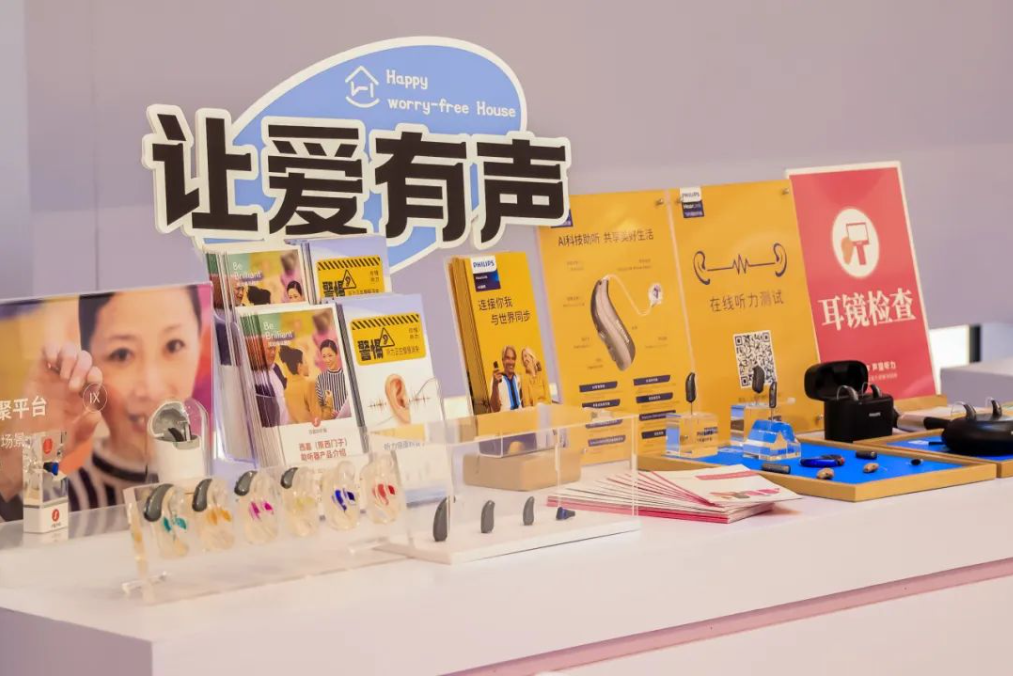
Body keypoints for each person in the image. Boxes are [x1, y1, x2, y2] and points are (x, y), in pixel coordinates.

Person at [24, 287, 205, 512]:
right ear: (89, 362)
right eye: (122, 354)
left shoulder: (221, 481)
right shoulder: (61, 503)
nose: (152, 389)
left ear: (200, 344)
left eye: (173, 346)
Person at [278, 345, 319, 424]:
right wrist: (329, 402)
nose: (308, 365)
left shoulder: (285, 389)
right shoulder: (309, 385)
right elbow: (319, 418)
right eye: (305, 362)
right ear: (299, 366)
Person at [315, 340, 350, 419]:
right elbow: (320, 404)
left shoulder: (347, 375)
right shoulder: (320, 379)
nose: (327, 360)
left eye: (330, 355)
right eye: (324, 356)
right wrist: (328, 410)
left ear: (336, 354)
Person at [489, 345, 523, 412]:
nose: (511, 362)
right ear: (503, 360)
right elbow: (495, 409)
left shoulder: (518, 378)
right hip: (505, 417)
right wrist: (495, 385)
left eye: (513, 359)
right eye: (508, 358)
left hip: (521, 416)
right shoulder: (495, 380)